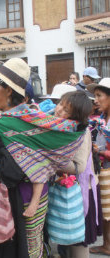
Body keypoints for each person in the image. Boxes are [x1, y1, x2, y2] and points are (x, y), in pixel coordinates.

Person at [0, 58, 85, 258]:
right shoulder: (3, 120)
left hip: (17, 201)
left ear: (9, 90)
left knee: (16, 250)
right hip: (9, 196)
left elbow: (13, 171)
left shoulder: (15, 125)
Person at [54, 91, 103, 258]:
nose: (59, 109)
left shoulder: (81, 131)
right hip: (71, 188)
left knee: (79, 240)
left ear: (76, 116)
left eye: (66, 109)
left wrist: (50, 159)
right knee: (70, 237)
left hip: (82, 191)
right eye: (60, 103)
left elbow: (79, 166)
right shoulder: (59, 125)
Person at [87, 78, 110, 256]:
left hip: (107, 168)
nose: (95, 100)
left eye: (99, 95)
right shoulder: (101, 119)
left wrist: (100, 152)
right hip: (103, 170)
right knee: (105, 211)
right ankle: (107, 245)